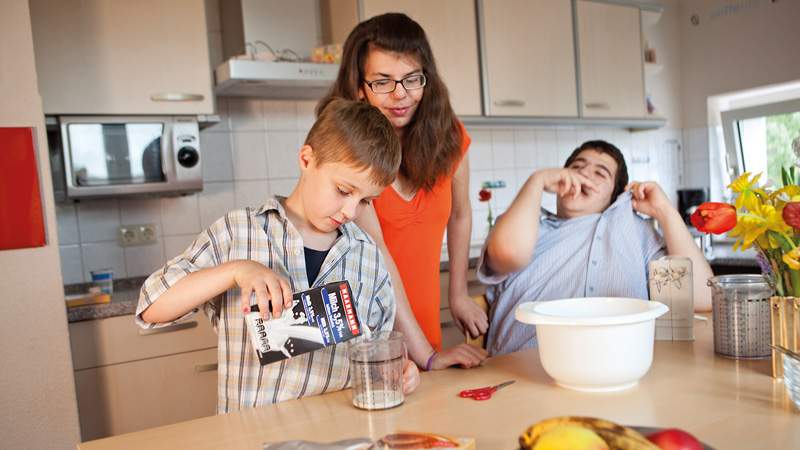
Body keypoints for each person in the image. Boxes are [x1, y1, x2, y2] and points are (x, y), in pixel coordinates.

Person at [135, 99, 420, 413]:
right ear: (306, 159)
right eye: (342, 190)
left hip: (341, 436)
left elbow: (378, 356)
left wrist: (399, 372)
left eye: (367, 201)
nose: (351, 211)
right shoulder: (238, 233)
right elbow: (151, 307)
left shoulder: (368, 257)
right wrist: (237, 271)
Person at [317, 13, 488, 371]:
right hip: (371, 329)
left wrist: (456, 294)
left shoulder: (449, 137)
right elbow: (379, 257)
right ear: (359, 86)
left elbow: (460, 214)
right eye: (382, 82)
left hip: (422, 322)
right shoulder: (350, 151)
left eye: (412, 79)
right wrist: (426, 355)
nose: (400, 95)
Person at [478, 140, 713, 356]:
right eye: (576, 167)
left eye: (600, 173)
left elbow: (702, 298)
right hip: (524, 371)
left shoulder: (635, 232)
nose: (584, 174)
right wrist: (537, 181)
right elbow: (508, 253)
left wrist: (665, 210)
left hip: (618, 367)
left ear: (615, 195)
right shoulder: (527, 225)